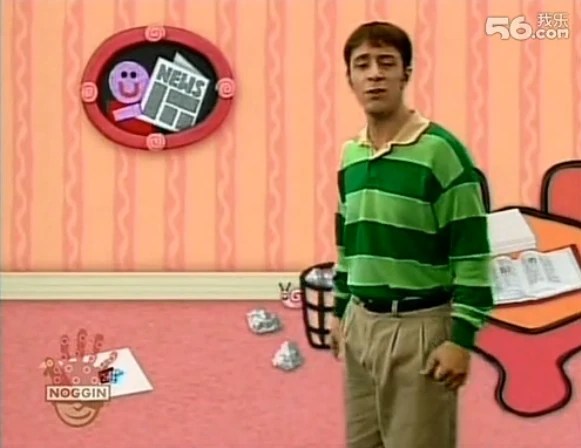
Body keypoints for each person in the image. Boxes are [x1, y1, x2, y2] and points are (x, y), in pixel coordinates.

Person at [330, 22, 494, 448]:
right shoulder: (351, 155)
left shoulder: (441, 152)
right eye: (362, 65)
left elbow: (472, 254)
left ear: (406, 73)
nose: (375, 74)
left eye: (386, 63)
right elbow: (348, 243)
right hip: (360, 326)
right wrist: (340, 311)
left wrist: (460, 340)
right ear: (349, 78)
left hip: (420, 330)